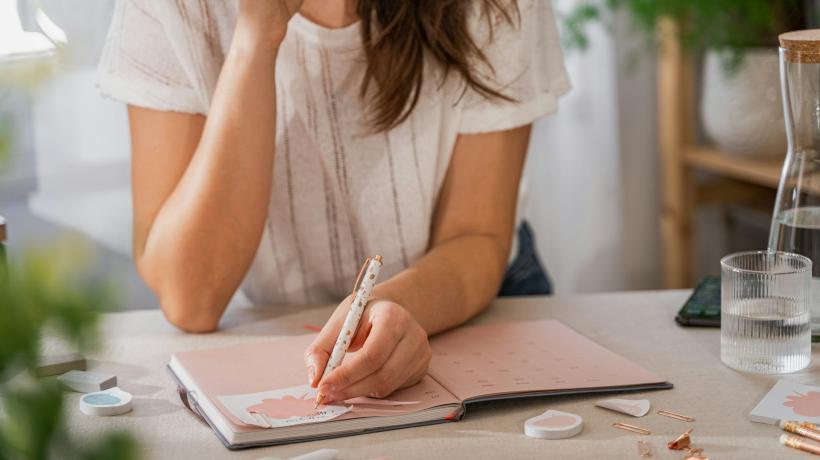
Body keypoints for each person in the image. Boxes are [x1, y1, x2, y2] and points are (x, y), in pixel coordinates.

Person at [97, 0, 569, 403]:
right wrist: (255, 38)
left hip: (467, 305)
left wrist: (395, 306)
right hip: (276, 332)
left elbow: (477, 234)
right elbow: (191, 297)